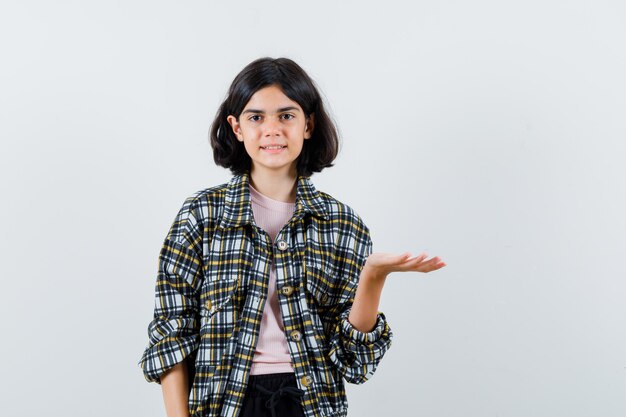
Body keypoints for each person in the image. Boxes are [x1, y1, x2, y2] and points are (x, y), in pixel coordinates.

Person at [138, 57, 446, 417]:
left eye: (286, 115)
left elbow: (354, 363)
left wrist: (374, 276)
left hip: (311, 403)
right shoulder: (202, 215)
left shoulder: (342, 224)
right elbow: (171, 333)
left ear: (308, 125)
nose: (272, 129)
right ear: (236, 127)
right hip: (224, 404)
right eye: (256, 117)